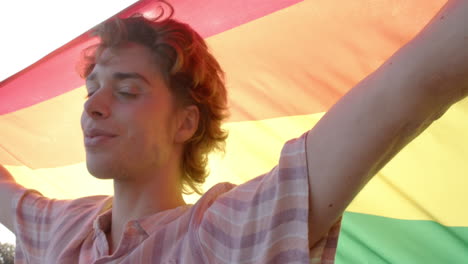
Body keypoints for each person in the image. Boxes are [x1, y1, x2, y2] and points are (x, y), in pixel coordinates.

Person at [1, 0, 467, 263]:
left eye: (127, 92)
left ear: (185, 122)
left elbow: (409, 89)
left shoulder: (220, 235)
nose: (93, 108)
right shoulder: (64, 229)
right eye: (91, 90)